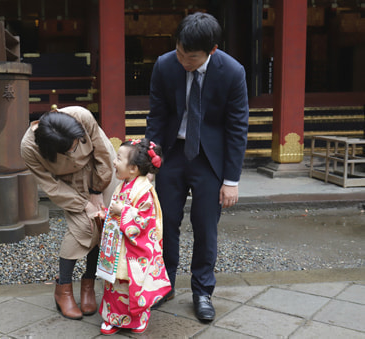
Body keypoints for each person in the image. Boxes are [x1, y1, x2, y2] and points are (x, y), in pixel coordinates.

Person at [145, 12, 249, 322]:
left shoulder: (232, 72)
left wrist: (231, 179)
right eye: (179, 52)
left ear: (211, 50)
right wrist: (150, 162)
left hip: (209, 159)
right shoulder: (165, 65)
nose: (183, 61)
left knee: (206, 227)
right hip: (173, 153)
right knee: (165, 224)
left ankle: (202, 291)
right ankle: (163, 284)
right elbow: (157, 116)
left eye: (190, 57)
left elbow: (236, 127)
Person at [20, 105, 118, 320]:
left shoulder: (81, 116)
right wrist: (83, 204)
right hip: (69, 184)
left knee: (105, 223)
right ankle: (63, 289)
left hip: (102, 169)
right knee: (83, 228)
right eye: (70, 151)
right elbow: (51, 186)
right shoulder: (29, 147)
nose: (75, 152)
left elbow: (101, 151)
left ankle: (89, 284)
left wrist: (97, 190)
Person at [97, 138, 172, 335]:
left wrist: (123, 211)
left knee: (132, 285)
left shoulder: (143, 190)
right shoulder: (123, 185)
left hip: (132, 249)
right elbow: (117, 211)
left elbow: (144, 221)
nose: (114, 162)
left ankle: (138, 318)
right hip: (119, 246)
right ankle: (111, 318)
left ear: (132, 168)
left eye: (118, 158)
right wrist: (107, 214)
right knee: (114, 284)